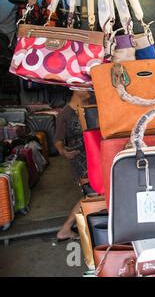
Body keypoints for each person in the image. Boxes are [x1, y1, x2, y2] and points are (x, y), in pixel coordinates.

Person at [54, 89, 91, 241]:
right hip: (80, 160)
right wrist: (63, 152)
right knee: (91, 192)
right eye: (84, 86)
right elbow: (58, 141)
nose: (89, 87)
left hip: (93, 155)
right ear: (74, 89)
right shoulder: (65, 114)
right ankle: (66, 228)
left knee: (94, 191)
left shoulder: (92, 105)